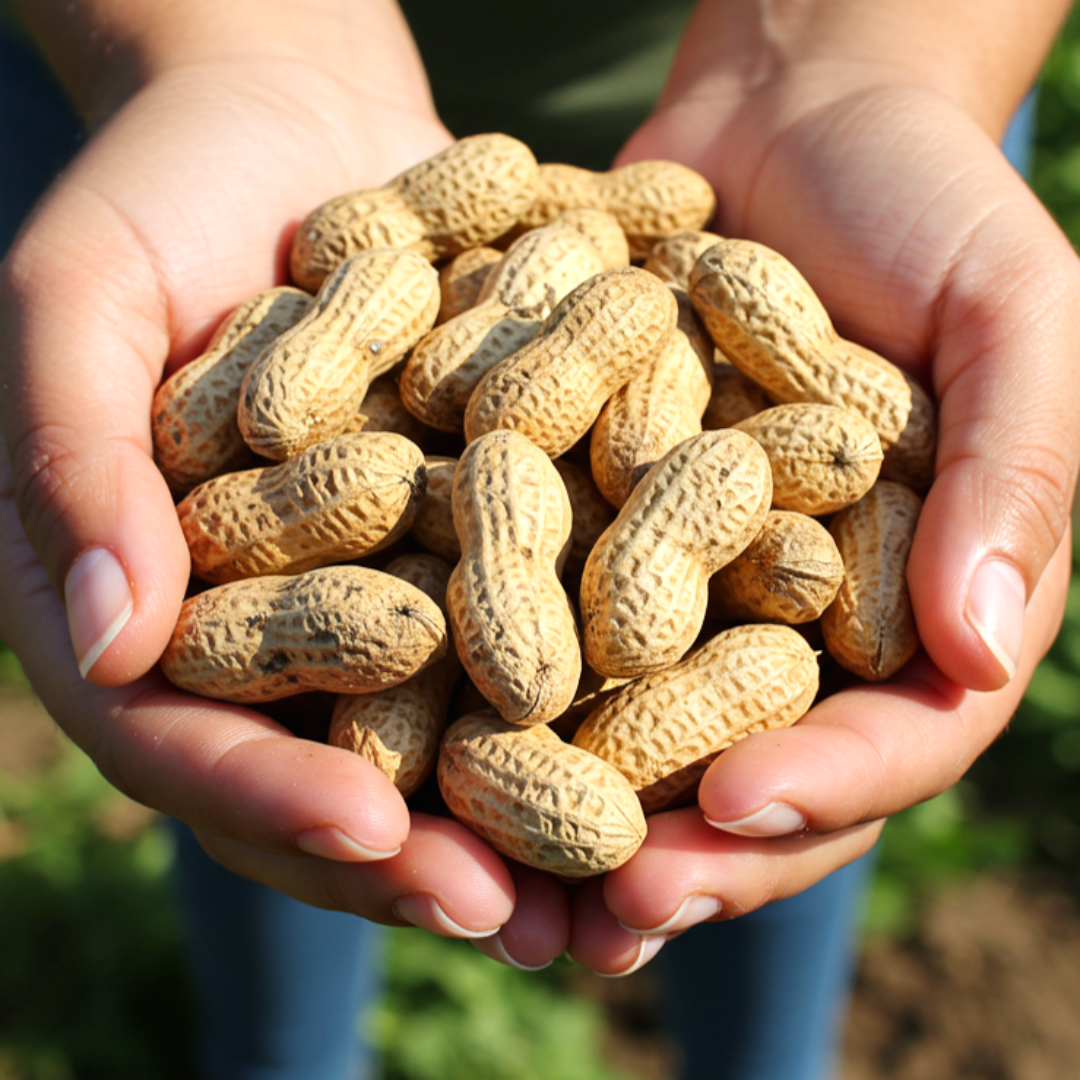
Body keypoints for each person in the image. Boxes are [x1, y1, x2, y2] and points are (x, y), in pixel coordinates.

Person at [0, 1, 1076, 1077]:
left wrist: (884, 58)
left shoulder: (682, 382)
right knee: (303, 825)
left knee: (775, 803)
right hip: (184, 68)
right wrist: (219, 47)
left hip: (824, 84)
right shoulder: (426, 358)